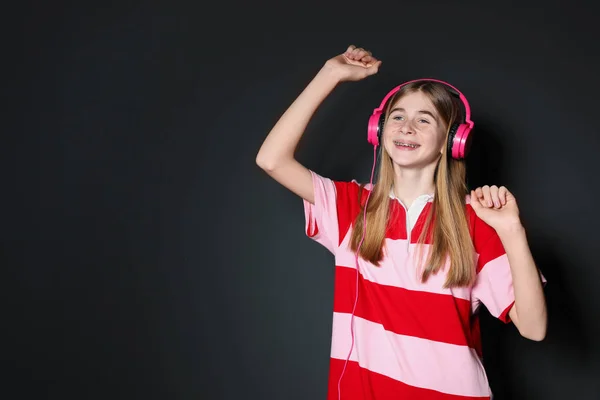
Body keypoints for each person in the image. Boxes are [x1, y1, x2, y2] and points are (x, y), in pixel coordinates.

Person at [255, 45, 547, 400]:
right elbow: (272, 160)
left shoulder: (477, 219)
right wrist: (330, 74)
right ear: (378, 130)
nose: (407, 127)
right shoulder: (351, 206)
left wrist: (512, 231)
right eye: (397, 116)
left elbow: (534, 328)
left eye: (424, 119)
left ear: (452, 142)